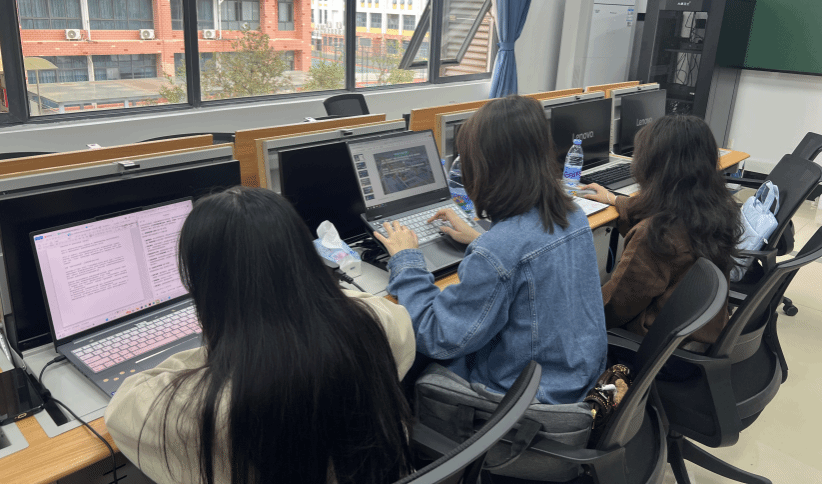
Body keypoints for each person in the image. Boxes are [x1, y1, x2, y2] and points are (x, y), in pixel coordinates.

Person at [105, 187, 416, 484]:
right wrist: (307, 299)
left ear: (205, 288)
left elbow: (121, 409)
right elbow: (358, 303)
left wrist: (227, 338)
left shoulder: (197, 403)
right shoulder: (381, 323)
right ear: (304, 257)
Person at [376, 95, 607, 405]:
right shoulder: (572, 214)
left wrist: (406, 260)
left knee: (403, 362)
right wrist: (479, 238)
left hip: (523, 403)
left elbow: (438, 335)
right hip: (575, 379)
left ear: (483, 170)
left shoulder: (499, 250)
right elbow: (526, 259)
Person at [581, 114, 741, 345]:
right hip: (701, 332)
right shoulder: (714, 208)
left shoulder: (656, 235)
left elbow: (613, 308)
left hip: (656, 346)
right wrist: (613, 199)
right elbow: (655, 206)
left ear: (653, 166)